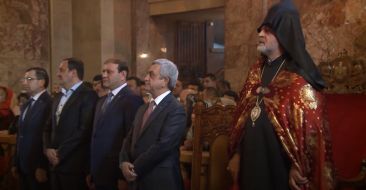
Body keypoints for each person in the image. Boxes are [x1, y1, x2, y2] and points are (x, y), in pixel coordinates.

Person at [227, 1, 335, 190]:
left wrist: (298, 164)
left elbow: (311, 131)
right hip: (250, 160)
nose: (260, 34)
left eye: (267, 30)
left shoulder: (299, 79)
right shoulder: (255, 72)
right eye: (260, 30)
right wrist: (237, 153)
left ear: (284, 34)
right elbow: (242, 119)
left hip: (280, 167)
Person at [119, 58, 186, 190]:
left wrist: (134, 168)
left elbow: (163, 146)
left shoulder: (175, 109)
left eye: (151, 75)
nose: (145, 78)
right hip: (138, 180)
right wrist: (123, 162)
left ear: (165, 81)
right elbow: (130, 138)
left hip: (159, 180)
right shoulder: (143, 108)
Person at [44, 58, 98, 190]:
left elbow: (83, 130)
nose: (57, 74)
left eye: (61, 70)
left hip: (73, 164)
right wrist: (47, 149)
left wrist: (60, 153)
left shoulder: (88, 95)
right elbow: (47, 127)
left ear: (73, 73)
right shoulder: (57, 96)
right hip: (53, 164)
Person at [89, 59, 143, 190]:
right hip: (98, 171)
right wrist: (91, 171)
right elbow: (95, 137)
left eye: (109, 72)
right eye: (103, 71)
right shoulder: (101, 101)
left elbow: (130, 140)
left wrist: (122, 176)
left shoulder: (132, 100)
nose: (104, 75)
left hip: (115, 172)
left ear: (123, 74)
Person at [12, 67, 52, 190]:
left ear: (41, 82)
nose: (24, 82)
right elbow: (20, 135)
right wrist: (15, 162)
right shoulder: (27, 104)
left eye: (29, 79)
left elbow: (46, 136)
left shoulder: (49, 103)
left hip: (37, 166)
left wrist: (42, 166)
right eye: (24, 79)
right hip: (23, 164)